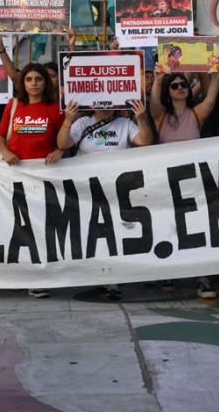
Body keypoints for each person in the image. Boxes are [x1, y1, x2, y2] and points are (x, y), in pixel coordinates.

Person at [56, 98, 153, 300]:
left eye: (110, 102)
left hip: (116, 189)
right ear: (92, 104)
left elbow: (145, 142)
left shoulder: (125, 124)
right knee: (93, 231)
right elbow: (63, 144)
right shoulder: (83, 123)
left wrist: (142, 119)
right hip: (87, 189)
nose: (106, 107)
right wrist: (68, 120)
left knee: (113, 233)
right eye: (100, 102)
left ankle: (112, 280)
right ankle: (97, 275)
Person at [150, 62, 219, 298]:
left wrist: (216, 75)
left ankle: (202, 276)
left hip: (193, 181)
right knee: (169, 226)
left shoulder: (196, 114)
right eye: (175, 85)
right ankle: (169, 271)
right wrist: (158, 78)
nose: (180, 87)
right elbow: (153, 103)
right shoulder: (160, 116)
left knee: (197, 226)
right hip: (166, 181)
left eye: (183, 85)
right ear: (168, 92)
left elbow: (211, 99)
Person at [0, 63, 64, 298]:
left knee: (41, 227)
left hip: (44, 177)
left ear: (46, 82)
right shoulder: (14, 105)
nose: (33, 83)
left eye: (38, 79)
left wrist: (60, 151)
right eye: (29, 79)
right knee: (16, 226)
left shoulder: (55, 108)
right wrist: (5, 152)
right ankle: (19, 273)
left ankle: (39, 278)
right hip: (14, 175)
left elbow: (64, 140)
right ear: (23, 83)